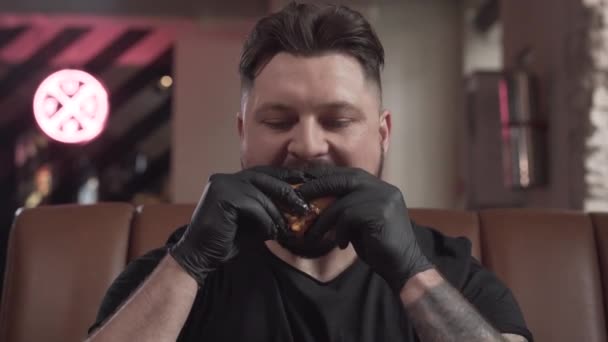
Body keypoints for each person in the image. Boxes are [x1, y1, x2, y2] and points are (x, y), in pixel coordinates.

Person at [86, 2, 533, 341]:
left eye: (337, 121)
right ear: (243, 134)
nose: (307, 146)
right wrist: (190, 262)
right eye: (278, 122)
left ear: (383, 134)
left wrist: (411, 272)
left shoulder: (451, 274)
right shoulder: (168, 277)